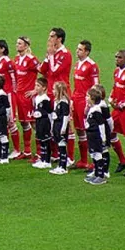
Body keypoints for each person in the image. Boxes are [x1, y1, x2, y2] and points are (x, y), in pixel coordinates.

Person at [39, 27, 73, 162]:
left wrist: (51, 55)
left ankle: (69, 157)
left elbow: (54, 71)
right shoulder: (52, 53)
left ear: (59, 39)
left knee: (65, 125)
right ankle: (55, 154)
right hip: (51, 92)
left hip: (62, 94)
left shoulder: (65, 54)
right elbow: (42, 70)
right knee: (52, 123)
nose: (49, 39)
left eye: (52, 36)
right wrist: (47, 57)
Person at [72, 40, 99, 169]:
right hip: (76, 100)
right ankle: (83, 160)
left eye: (80, 49)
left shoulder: (92, 65)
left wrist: (91, 104)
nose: (77, 51)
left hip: (85, 102)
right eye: (77, 49)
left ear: (87, 52)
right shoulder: (77, 64)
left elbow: (96, 86)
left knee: (89, 131)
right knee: (79, 130)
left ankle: (94, 161)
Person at [0, 39, 20, 159]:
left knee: (11, 122)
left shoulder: (8, 62)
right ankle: (4, 146)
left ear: (3, 49)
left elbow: (14, 78)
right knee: (1, 121)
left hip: (8, 95)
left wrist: (13, 92)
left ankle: (17, 149)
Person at [14, 36, 39, 160]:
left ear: (26, 46)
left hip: (28, 96)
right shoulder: (17, 59)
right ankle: (27, 151)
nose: (17, 45)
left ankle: (40, 152)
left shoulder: (32, 60)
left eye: (20, 43)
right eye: (17, 43)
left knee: (34, 123)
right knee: (23, 122)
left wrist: (35, 90)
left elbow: (44, 74)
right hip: (19, 95)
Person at [84, 87, 107, 185]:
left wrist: (103, 137)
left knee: (97, 154)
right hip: (91, 135)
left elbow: (101, 124)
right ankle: (96, 174)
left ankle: (101, 176)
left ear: (92, 98)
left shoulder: (96, 110)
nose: (86, 98)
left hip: (96, 135)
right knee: (93, 154)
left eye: (88, 96)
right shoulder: (91, 108)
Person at [49, 81, 71, 175]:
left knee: (62, 146)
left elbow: (66, 116)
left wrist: (63, 128)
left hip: (61, 126)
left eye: (54, 89)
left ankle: (63, 166)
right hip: (56, 125)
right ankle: (60, 165)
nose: (52, 91)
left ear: (59, 91)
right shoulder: (56, 101)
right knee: (59, 145)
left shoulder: (64, 102)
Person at [31, 77, 53, 169]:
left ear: (44, 88)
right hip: (39, 122)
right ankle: (42, 159)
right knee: (41, 141)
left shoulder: (46, 99)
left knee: (45, 141)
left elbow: (49, 113)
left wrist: (51, 126)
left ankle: (47, 161)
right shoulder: (36, 98)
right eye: (35, 85)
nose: (36, 87)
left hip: (45, 123)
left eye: (38, 85)